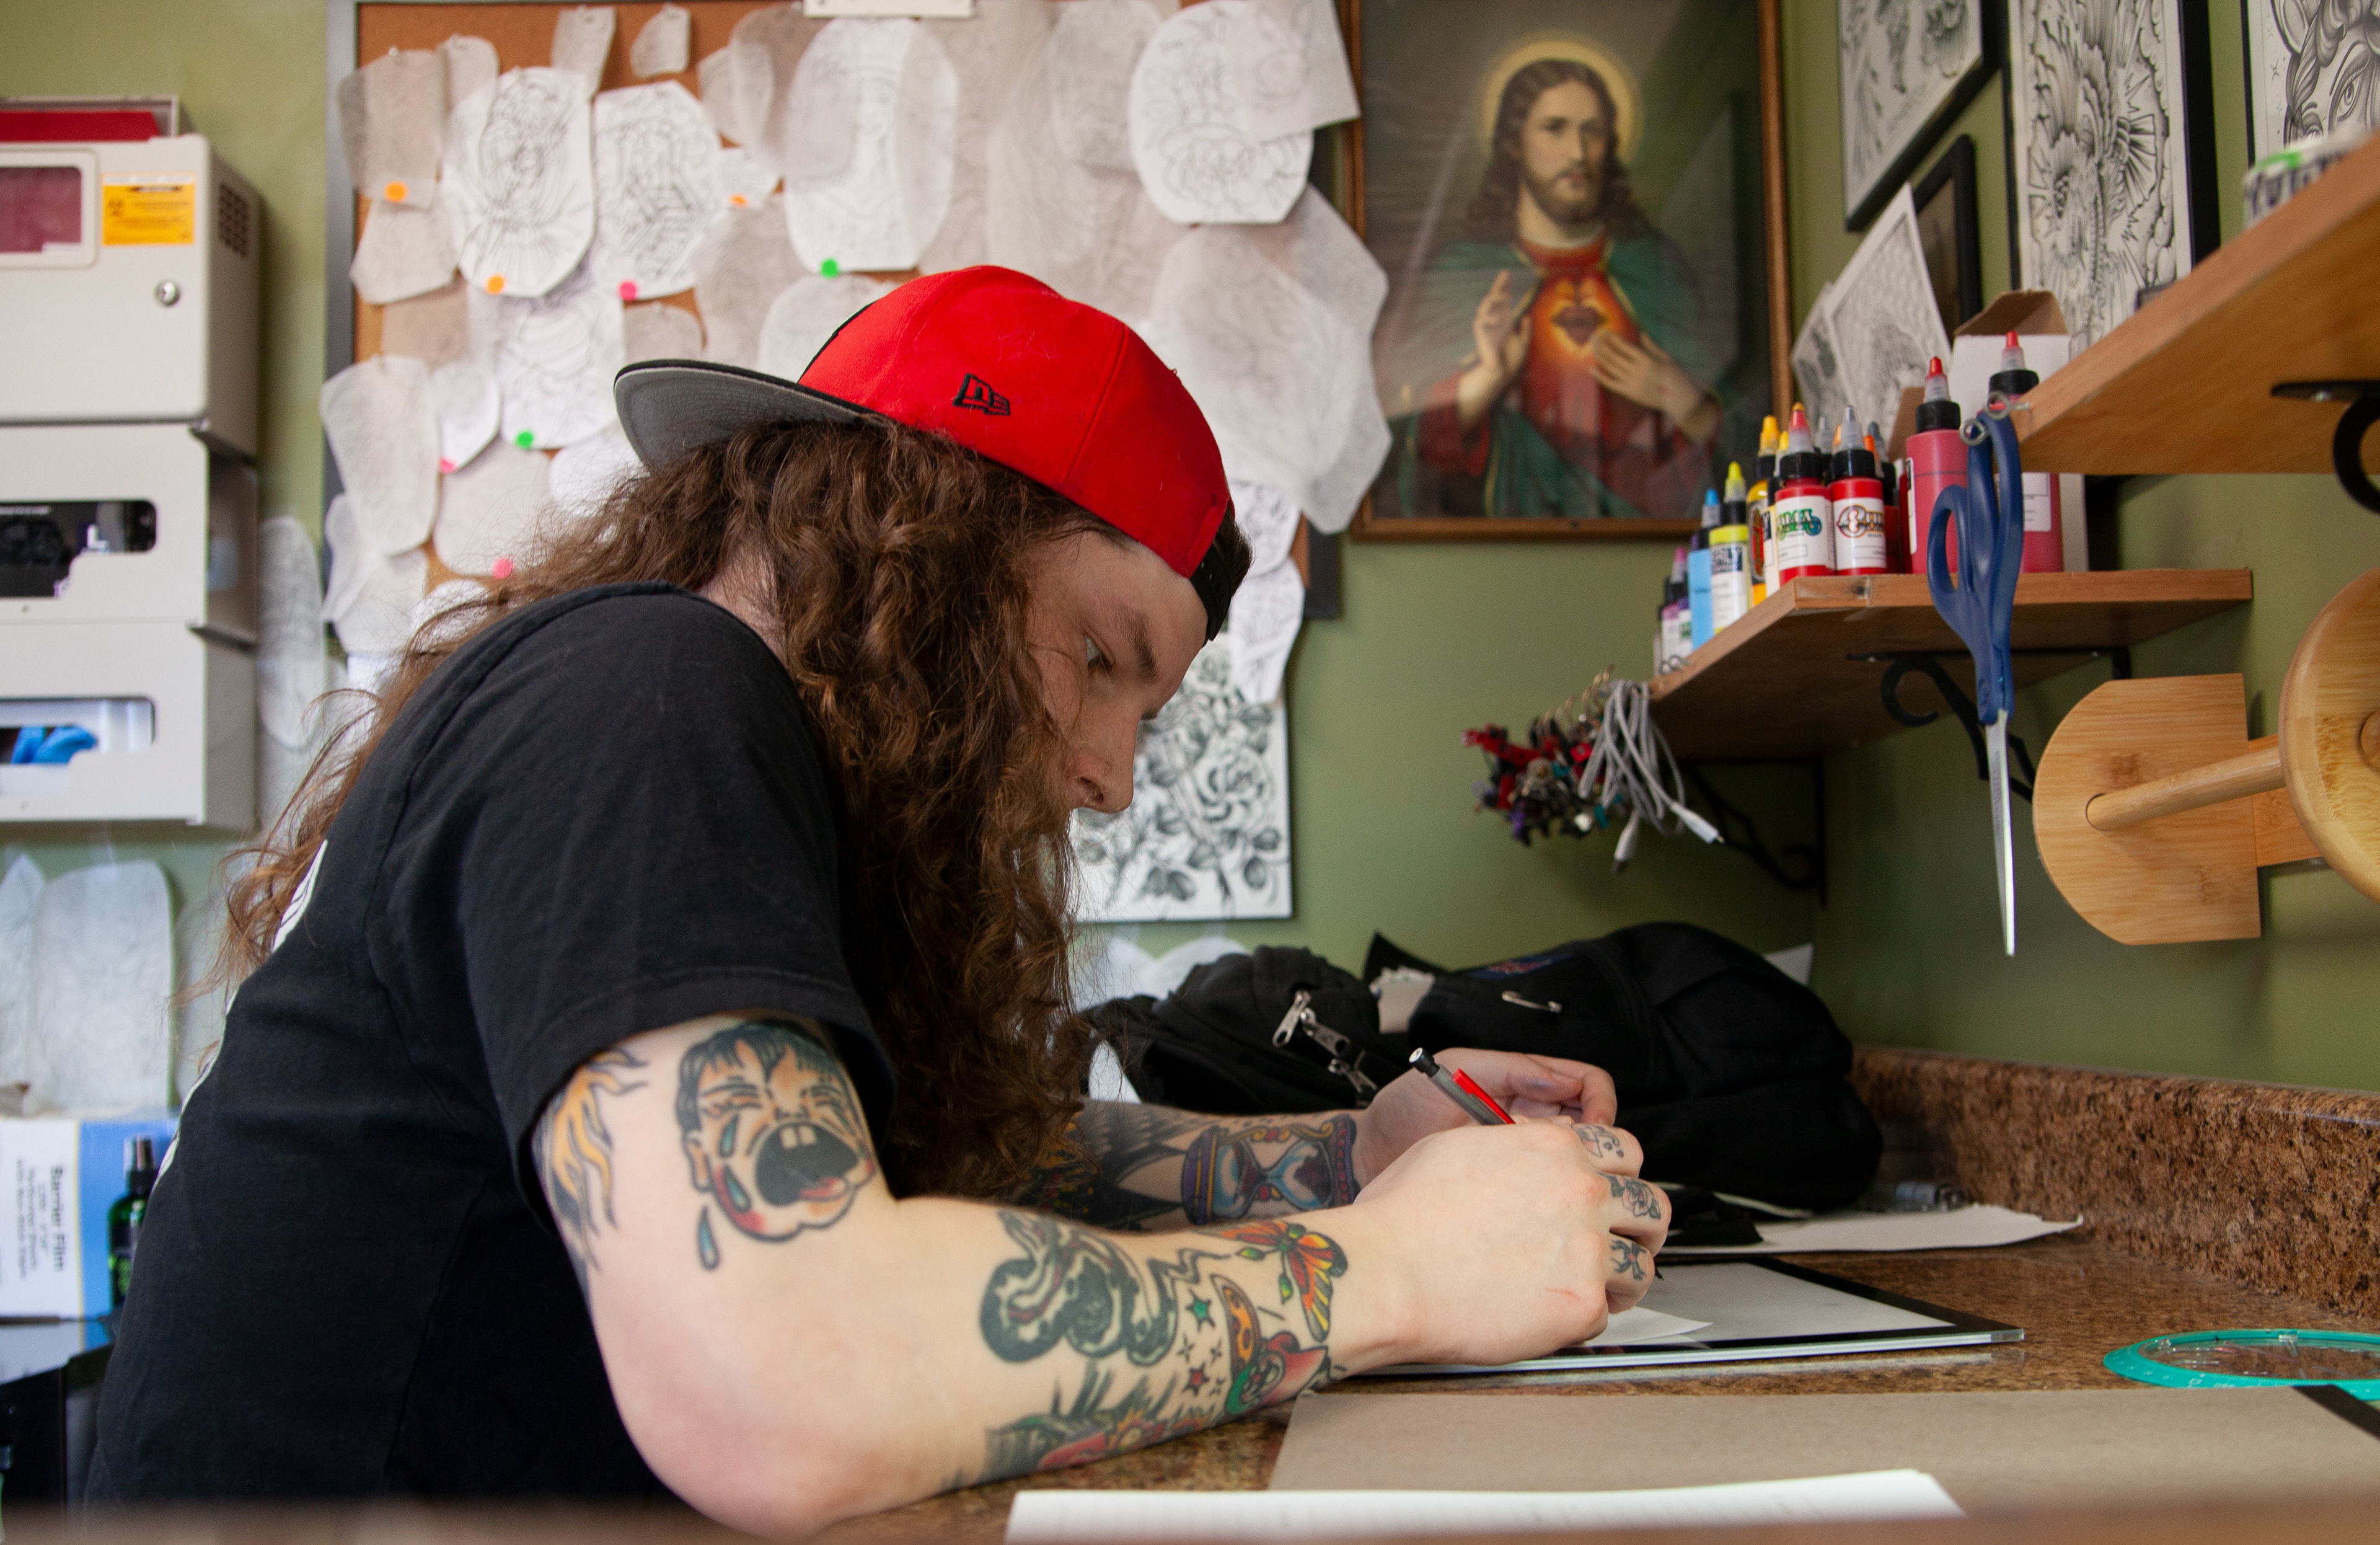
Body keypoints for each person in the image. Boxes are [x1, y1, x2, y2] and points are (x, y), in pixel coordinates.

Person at [91, 268, 1670, 1536]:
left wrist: (1348, 1151)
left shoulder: (704, 738)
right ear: (926, 532)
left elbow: (919, 1151)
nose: (1111, 773)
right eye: (1105, 657)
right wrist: (1392, 1271)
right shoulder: (645, 702)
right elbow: (782, 1381)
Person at [1392, 57, 1722, 520]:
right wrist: (1489, 377)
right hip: (1513, 556)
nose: (1577, 153)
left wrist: (1680, 399)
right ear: (1513, 143)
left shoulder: (1656, 268)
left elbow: (1739, 443)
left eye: (1593, 131)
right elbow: (1418, 453)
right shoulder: (1466, 271)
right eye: (1555, 128)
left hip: (1653, 544)